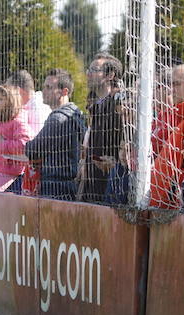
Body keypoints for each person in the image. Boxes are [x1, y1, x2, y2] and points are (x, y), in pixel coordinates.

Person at [24, 69, 87, 200]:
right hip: (68, 186)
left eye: (49, 87)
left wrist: (25, 145)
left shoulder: (58, 119)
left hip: (54, 187)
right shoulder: (76, 114)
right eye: (44, 86)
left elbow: (33, 150)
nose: (44, 91)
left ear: (64, 92)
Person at [149, 63, 184, 208]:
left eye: (176, 84)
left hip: (178, 206)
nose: (171, 90)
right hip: (165, 203)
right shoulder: (174, 115)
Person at [81, 51, 123, 203]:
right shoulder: (96, 107)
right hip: (92, 187)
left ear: (110, 75)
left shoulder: (120, 107)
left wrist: (116, 163)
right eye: (88, 70)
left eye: (94, 70)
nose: (88, 74)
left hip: (112, 190)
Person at [0, 85, 31, 192]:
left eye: (0, 99)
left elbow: (24, 143)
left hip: (11, 170)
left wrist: (1, 145)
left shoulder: (17, 121)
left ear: (10, 101)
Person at [7, 70, 49, 138]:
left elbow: (35, 142)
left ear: (18, 91)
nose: (7, 97)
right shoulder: (39, 103)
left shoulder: (36, 110)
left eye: (9, 92)